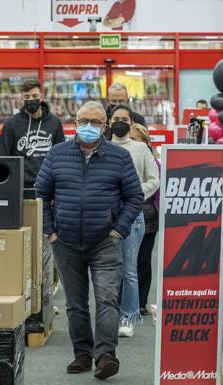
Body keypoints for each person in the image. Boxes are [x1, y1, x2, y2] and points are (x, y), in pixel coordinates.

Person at [35, 101, 143, 380]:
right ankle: (83, 353)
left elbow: (134, 197)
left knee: (107, 299)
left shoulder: (119, 157)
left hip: (105, 241)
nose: (88, 127)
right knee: (75, 303)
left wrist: (118, 230)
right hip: (66, 241)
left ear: (105, 127)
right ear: (75, 123)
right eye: (83, 121)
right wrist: (51, 231)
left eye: (95, 123)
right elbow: (41, 195)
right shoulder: (57, 154)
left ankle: (106, 355)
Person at [109, 105, 159, 337]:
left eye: (124, 119)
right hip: (104, 215)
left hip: (132, 216)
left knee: (129, 268)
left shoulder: (140, 148)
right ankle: (108, 316)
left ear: (131, 122)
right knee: (106, 269)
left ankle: (128, 316)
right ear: (109, 122)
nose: (120, 122)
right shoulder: (102, 147)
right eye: (116, 118)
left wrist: (133, 193)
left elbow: (154, 180)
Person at [0, 79, 65, 187]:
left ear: (42, 97)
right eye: (27, 97)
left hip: (47, 184)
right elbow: (2, 156)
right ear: (22, 99)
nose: (31, 99)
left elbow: (61, 156)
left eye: (34, 96)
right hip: (18, 185)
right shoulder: (11, 124)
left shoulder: (55, 123)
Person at [129, 123, 161, 315]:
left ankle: (141, 302)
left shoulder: (154, 163)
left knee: (143, 260)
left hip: (148, 217)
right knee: (126, 261)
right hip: (126, 215)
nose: (131, 143)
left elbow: (157, 190)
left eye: (135, 139)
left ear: (145, 142)